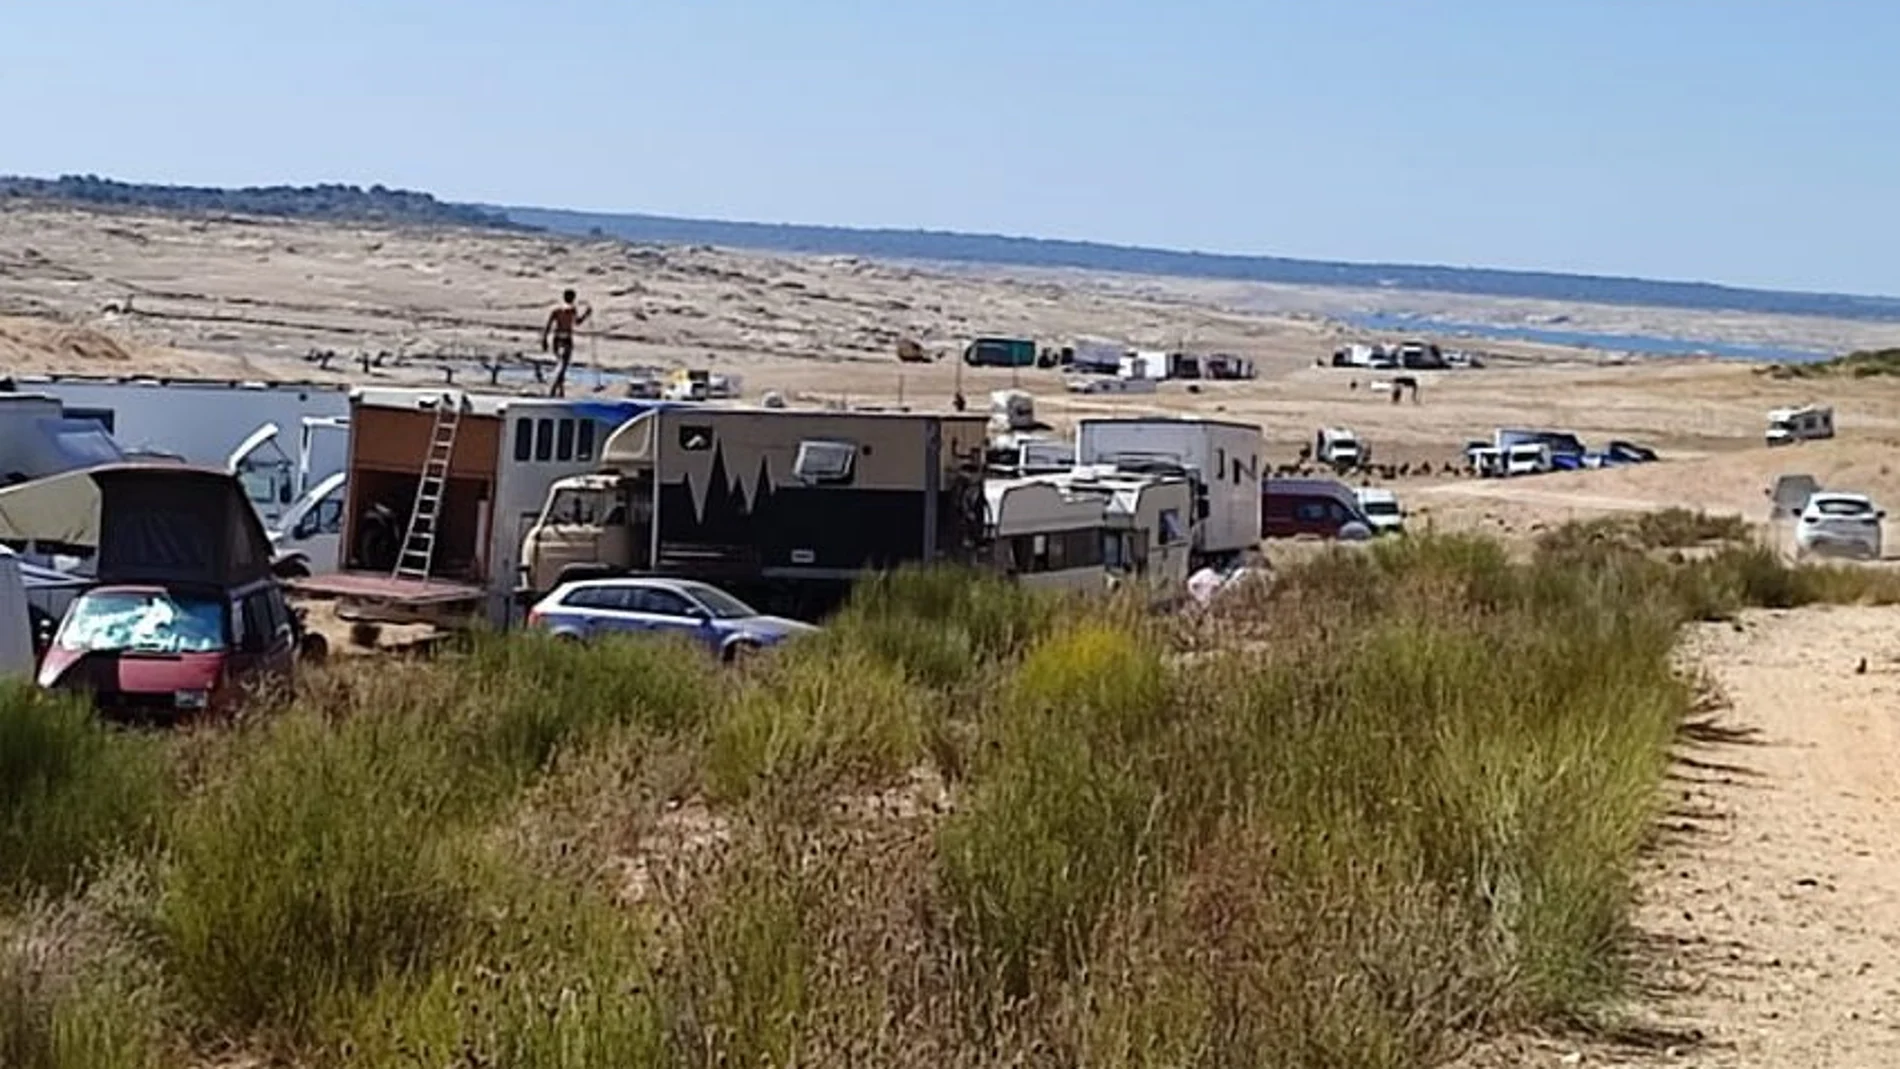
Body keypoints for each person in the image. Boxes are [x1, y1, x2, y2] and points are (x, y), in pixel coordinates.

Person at [539, 289, 592, 397]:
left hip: (560, 340)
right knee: (562, 365)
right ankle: (553, 390)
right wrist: (586, 314)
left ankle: (560, 391)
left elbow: (548, 326)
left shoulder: (560, 310)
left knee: (563, 365)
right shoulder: (567, 310)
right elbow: (577, 322)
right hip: (563, 340)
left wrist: (544, 339)